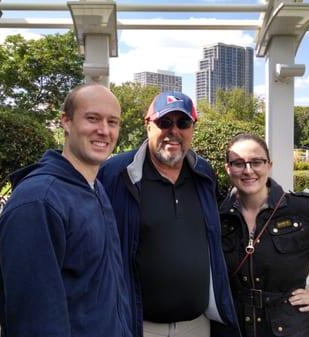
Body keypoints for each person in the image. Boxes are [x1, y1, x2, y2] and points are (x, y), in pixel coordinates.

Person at [98, 91, 240, 337]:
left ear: (192, 128)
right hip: (138, 326)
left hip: (197, 326)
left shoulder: (203, 173)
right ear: (148, 125)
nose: (173, 131)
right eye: (164, 122)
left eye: (183, 123)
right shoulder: (115, 173)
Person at [0, 84, 132, 337]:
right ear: (66, 122)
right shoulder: (39, 202)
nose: (104, 130)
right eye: (92, 118)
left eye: (112, 122)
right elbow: (33, 322)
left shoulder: (95, 189)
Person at [212, 133, 309, 337]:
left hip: (290, 327)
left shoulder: (302, 210)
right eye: (238, 163)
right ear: (228, 168)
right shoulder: (218, 215)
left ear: (269, 165)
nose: (248, 170)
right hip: (233, 326)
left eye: (256, 162)